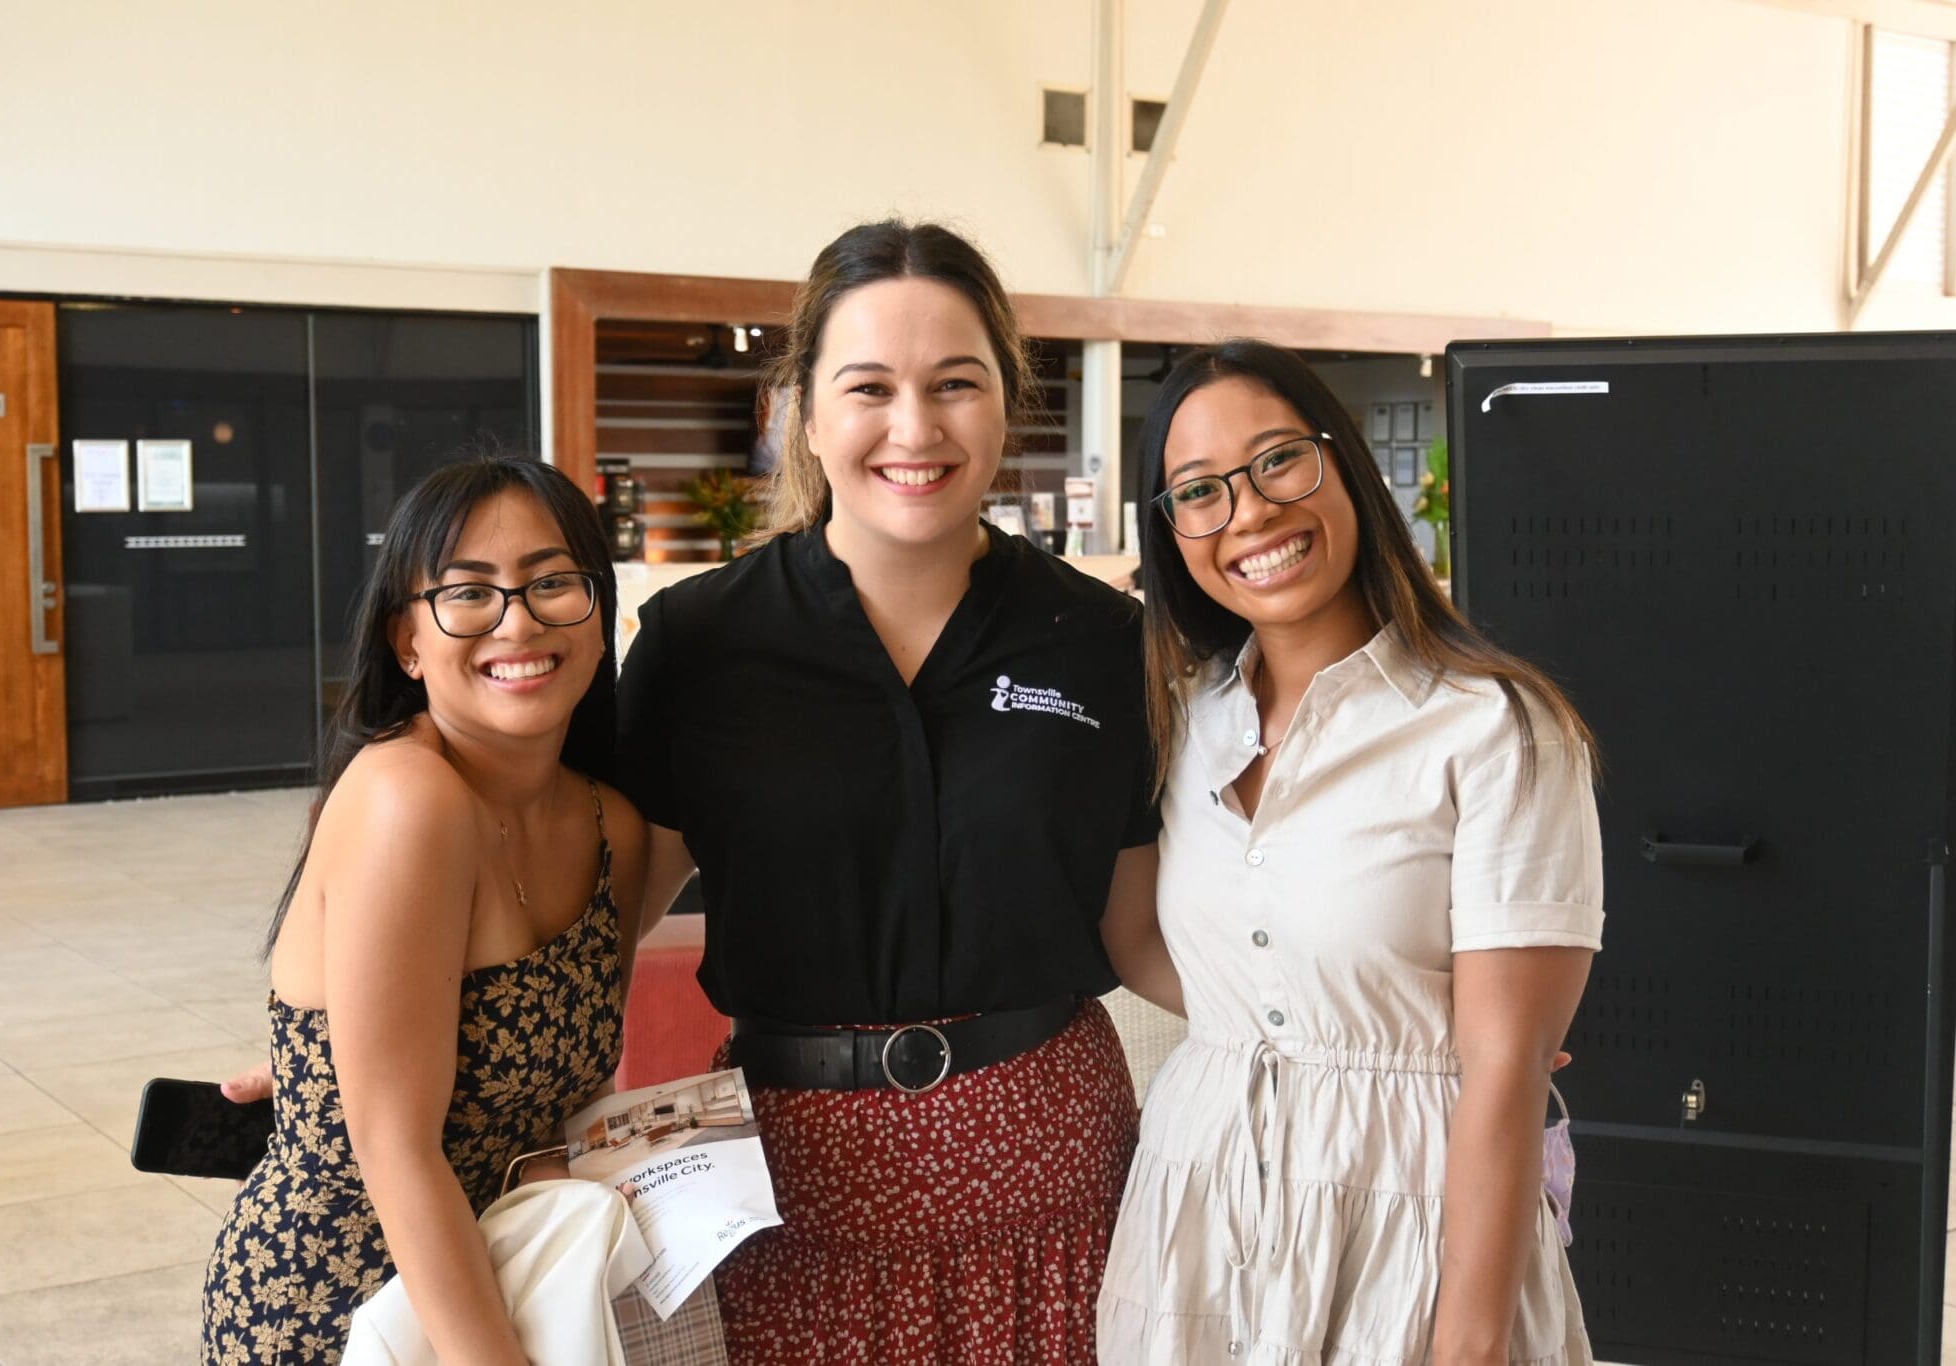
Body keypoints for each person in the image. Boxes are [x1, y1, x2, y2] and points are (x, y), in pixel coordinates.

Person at [615, 218, 1167, 1364]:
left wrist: (1392, 1023)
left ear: (1006, 402)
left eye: (954, 383)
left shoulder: (1098, 640)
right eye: (868, 386)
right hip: (791, 1194)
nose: (913, 428)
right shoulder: (699, 643)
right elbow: (596, 923)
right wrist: (378, 1049)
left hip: (1051, 1181)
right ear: (805, 412)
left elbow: (1148, 930)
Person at [1095, 341, 1601, 1364]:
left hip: (1412, 1214)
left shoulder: (1496, 728)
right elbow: (1138, 939)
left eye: (1278, 459)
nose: (1248, 512)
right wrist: (1311, 1018)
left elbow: (1504, 1068)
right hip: (1195, 1212)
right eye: (1198, 491)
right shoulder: (1181, 721)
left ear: (1345, 465)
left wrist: (1467, 1346)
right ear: (1171, 531)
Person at [202, 456, 645, 1364]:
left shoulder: (613, 827)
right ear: (408, 641)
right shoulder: (407, 798)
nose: (517, 621)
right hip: (338, 1305)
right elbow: (394, 1146)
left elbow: (565, 1098)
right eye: (468, 593)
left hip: (511, 1279)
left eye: (552, 582)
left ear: (599, 614)